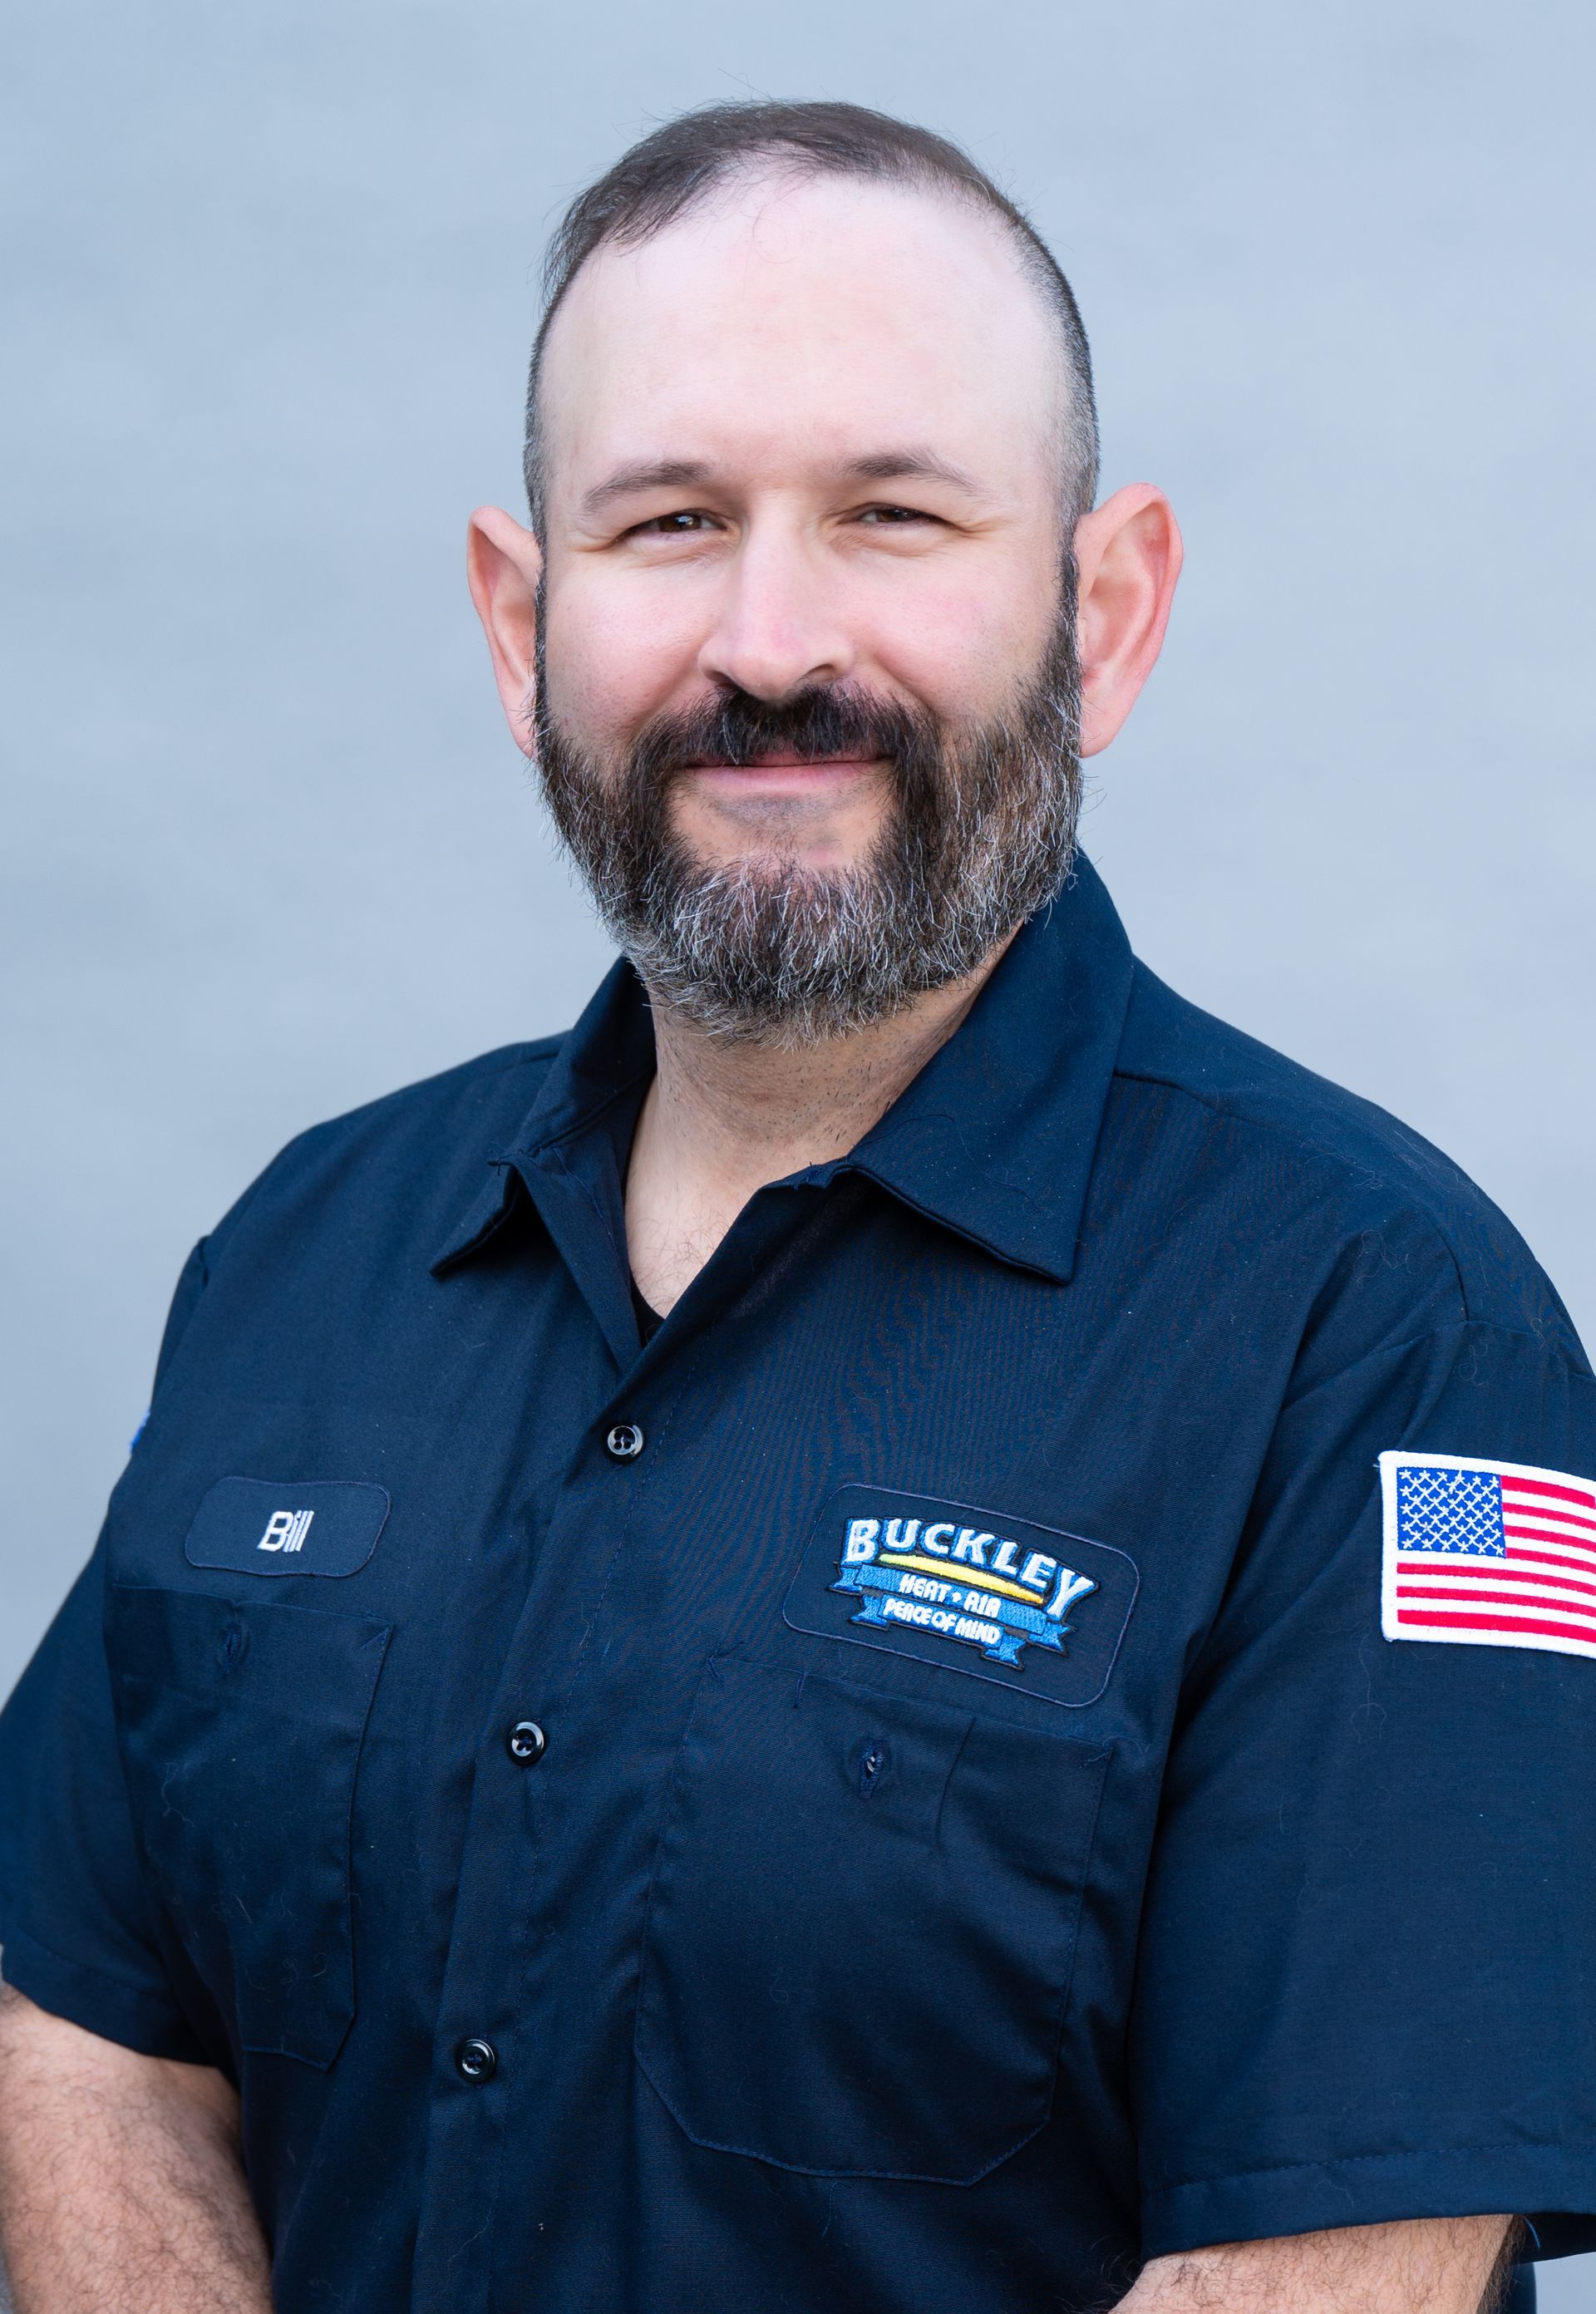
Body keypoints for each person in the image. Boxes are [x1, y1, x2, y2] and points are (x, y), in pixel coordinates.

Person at [0, 97, 1590, 2314]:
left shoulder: (1386, 1337)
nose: (769, 640)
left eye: (892, 513)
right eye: (667, 522)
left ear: (1102, 610)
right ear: (517, 619)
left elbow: (1333, 2272)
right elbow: (79, 2025)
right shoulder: (309, 1252)